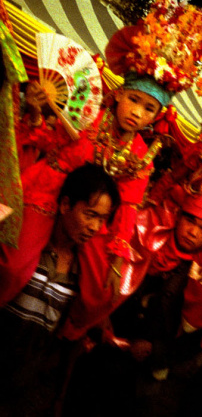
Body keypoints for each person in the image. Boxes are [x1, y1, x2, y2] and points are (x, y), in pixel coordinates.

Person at [16, 0, 202, 339]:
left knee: (106, 290)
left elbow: (128, 207)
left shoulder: (143, 154)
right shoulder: (86, 118)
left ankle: (69, 335)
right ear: (118, 95)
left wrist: (116, 259)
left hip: (97, 217)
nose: (137, 113)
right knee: (13, 265)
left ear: (158, 116)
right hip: (51, 195)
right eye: (133, 100)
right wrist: (38, 110)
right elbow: (44, 141)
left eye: (149, 109)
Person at [63, 190, 202, 416]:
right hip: (101, 351)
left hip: (147, 378)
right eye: (190, 220)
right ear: (178, 216)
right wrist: (100, 317)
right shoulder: (145, 241)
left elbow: (199, 339)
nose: (193, 232)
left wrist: (155, 350)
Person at [0, 163, 119, 416]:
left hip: (26, 391)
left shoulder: (82, 272)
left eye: (102, 219)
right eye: (90, 214)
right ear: (65, 205)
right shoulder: (25, 246)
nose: (95, 227)